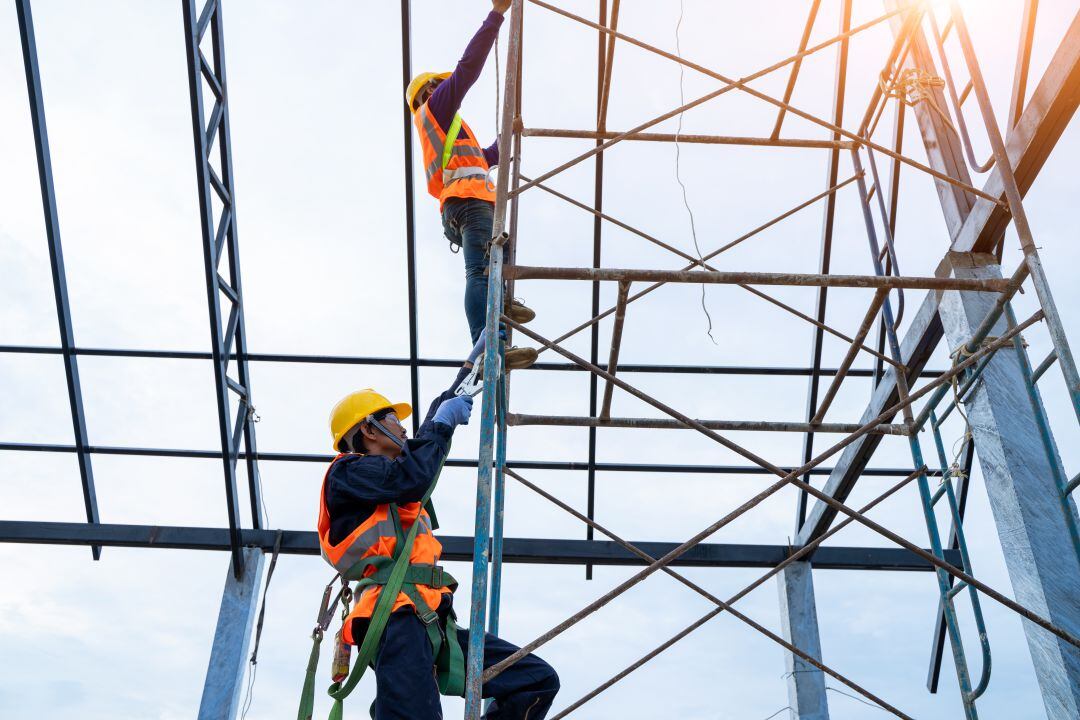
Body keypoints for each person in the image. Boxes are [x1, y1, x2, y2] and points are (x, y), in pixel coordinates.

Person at [318, 365, 559, 719]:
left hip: (428, 617)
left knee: (535, 679)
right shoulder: (348, 472)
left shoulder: (385, 482)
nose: (402, 428)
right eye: (393, 419)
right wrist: (442, 424)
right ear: (369, 429)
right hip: (394, 617)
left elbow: (420, 452)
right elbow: (412, 475)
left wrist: (458, 384)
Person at [406, 0, 537, 370]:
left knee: (496, 258)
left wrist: (508, 139)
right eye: (439, 84)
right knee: (479, 271)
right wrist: (496, 15)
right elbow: (467, 70)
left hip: (467, 201)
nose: (446, 86)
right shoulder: (435, 107)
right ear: (429, 90)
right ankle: (488, 345)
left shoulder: (447, 130)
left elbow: (486, 157)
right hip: (467, 200)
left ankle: (501, 309)